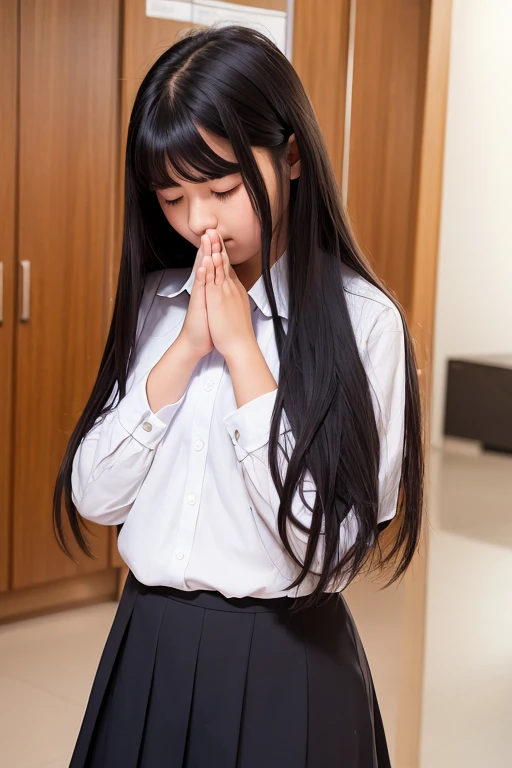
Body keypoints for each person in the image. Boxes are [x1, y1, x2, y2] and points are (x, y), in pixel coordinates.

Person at [54, 24, 424, 768]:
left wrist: (244, 353)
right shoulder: (161, 303)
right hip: (147, 648)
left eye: (222, 189)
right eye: (172, 197)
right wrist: (189, 347)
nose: (199, 222)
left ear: (289, 157)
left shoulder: (366, 323)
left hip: (289, 663)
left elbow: (328, 550)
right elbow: (94, 496)